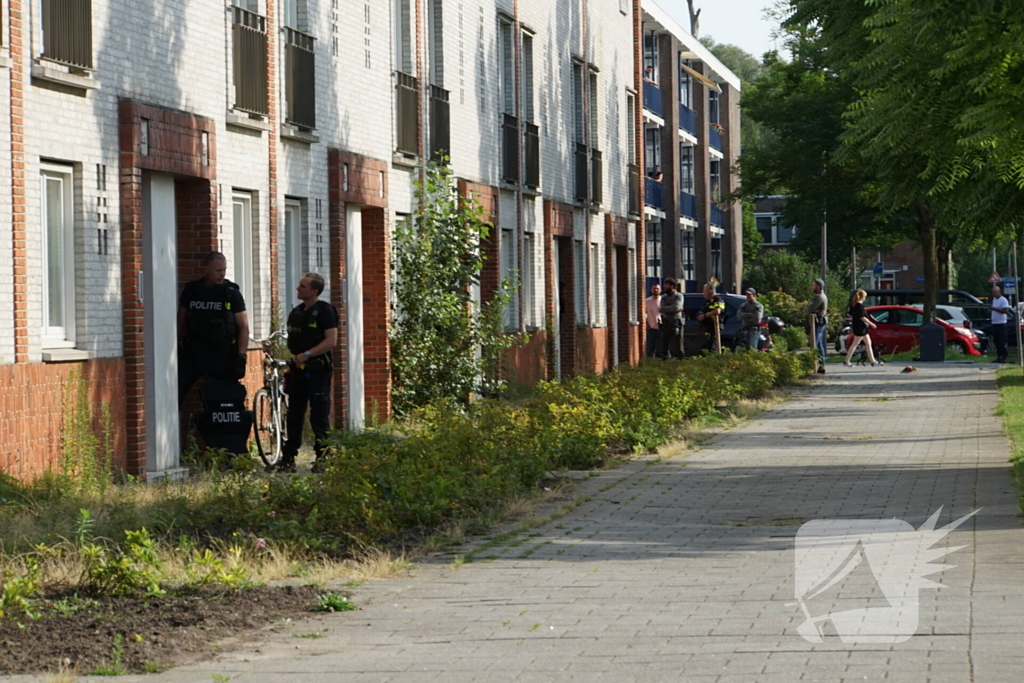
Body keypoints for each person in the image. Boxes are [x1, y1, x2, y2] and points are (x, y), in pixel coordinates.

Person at [275, 273, 339, 473]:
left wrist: (307, 354)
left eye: (302, 286)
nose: (297, 289)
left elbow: (331, 341)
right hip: (298, 372)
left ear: (314, 291)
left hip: (317, 370)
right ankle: (288, 458)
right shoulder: (296, 312)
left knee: (319, 416)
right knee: (294, 414)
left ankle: (323, 458)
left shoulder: (325, 312)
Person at [178, 251, 249, 406]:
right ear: (206, 269)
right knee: (176, 392)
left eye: (223, 270)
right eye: (217, 270)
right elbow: (181, 320)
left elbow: (243, 327)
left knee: (225, 399)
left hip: (222, 354)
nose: (221, 274)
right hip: (195, 352)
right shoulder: (192, 291)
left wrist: (241, 356)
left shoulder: (231, 293)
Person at [843, 289, 882, 367]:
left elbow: (851, 314)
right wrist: (871, 324)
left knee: (868, 343)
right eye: (865, 297)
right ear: (862, 297)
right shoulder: (859, 306)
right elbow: (862, 317)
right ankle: (847, 361)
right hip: (860, 327)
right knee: (855, 344)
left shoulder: (855, 305)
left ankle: (873, 361)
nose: (865, 298)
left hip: (861, 327)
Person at [658, 278, 685, 359]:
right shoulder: (663, 297)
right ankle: (665, 362)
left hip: (676, 323)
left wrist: (666, 309)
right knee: (664, 345)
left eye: (666, 285)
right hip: (666, 323)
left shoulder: (679, 296)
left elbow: (676, 307)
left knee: (679, 346)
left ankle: (682, 362)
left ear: (672, 286)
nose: (664, 287)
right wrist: (672, 308)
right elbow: (661, 308)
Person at [806, 278, 829, 374]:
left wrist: (809, 308)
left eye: (814, 285)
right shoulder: (818, 296)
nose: (812, 287)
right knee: (819, 345)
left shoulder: (820, 297)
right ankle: (821, 366)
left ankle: (818, 365)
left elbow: (809, 308)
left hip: (818, 322)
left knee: (815, 344)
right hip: (818, 322)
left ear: (819, 286)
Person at [697, 283, 725, 353]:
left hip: (715, 328)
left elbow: (717, 311)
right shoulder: (707, 302)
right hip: (707, 329)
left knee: (713, 349)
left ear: (711, 291)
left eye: (705, 291)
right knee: (705, 349)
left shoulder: (718, 300)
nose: (703, 293)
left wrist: (705, 316)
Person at [990, 285, 1010, 363]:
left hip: (1001, 324)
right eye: (993, 292)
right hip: (995, 323)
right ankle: (999, 356)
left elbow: (1006, 311)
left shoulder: (1003, 300)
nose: (994, 294)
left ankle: (1004, 357)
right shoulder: (994, 299)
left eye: (995, 292)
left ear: (999, 292)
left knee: (1002, 341)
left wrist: (995, 309)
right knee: (996, 341)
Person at [645, 283, 662, 358]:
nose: (655, 290)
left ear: (660, 290)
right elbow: (644, 314)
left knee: (662, 346)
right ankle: (650, 360)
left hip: (662, 327)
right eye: (654, 288)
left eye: (657, 289)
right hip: (651, 327)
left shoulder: (663, 301)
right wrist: (646, 324)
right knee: (651, 346)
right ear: (651, 290)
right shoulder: (647, 301)